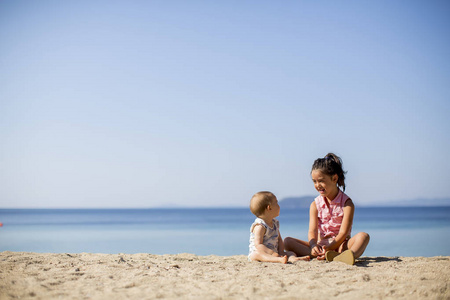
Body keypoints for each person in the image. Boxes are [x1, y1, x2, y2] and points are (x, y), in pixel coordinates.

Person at [284, 153, 370, 265]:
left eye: (321, 181)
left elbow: (343, 233)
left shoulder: (347, 204)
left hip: (341, 245)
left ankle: (348, 256)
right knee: (287, 241)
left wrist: (330, 247)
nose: (317, 185)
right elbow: (312, 231)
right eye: (314, 181)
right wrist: (314, 245)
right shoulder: (315, 205)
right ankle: (319, 254)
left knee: (363, 236)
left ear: (334, 179)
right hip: (321, 246)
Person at [248, 191, 310, 264]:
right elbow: (258, 245)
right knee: (256, 254)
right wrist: (271, 253)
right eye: (276, 203)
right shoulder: (260, 226)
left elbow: (279, 239)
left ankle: (293, 258)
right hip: (262, 253)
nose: (279, 206)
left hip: (275, 253)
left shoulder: (275, 223)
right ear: (269, 208)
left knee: (290, 253)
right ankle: (278, 260)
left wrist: (281, 251)